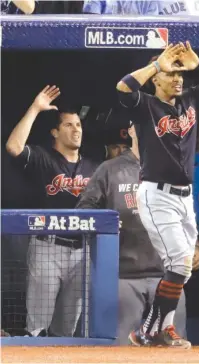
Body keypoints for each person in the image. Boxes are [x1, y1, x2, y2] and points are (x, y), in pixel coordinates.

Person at [116, 42, 199, 348]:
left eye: (180, 74)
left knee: (184, 266)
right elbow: (123, 88)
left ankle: (161, 329)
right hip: (157, 194)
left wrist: (196, 64)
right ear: (157, 79)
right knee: (179, 261)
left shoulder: (189, 99)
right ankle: (149, 330)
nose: (178, 79)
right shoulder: (145, 105)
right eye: (171, 73)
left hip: (184, 197)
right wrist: (157, 63)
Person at [76, 119, 199, 344]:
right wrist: (105, 222)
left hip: (167, 275)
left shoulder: (174, 169)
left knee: (171, 345)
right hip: (123, 275)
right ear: (132, 131)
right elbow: (84, 210)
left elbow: (185, 215)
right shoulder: (110, 169)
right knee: (123, 346)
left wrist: (195, 246)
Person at [5, 85, 99, 337]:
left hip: (81, 250)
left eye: (78, 125)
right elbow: (13, 147)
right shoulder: (43, 158)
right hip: (48, 246)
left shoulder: (93, 166)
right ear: (55, 132)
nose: (76, 129)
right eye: (68, 125)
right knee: (38, 328)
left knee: (66, 331)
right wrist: (35, 108)